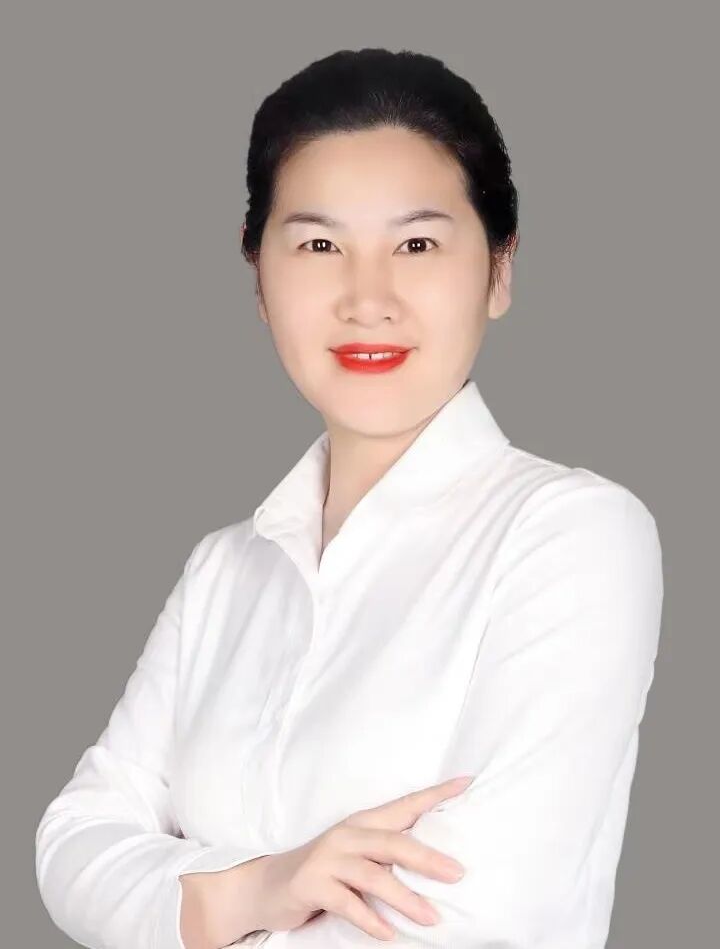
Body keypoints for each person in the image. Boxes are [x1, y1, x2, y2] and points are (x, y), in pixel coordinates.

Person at [35, 48, 664, 949]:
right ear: (259, 276)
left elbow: (481, 919)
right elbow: (71, 843)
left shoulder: (572, 536)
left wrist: (182, 905)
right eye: (320, 245)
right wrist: (263, 885)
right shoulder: (225, 571)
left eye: (418, 244)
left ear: (499, 270)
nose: (368, 300)